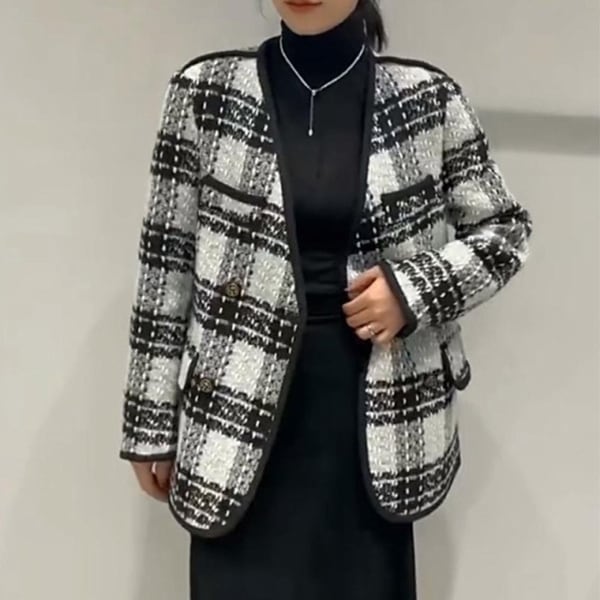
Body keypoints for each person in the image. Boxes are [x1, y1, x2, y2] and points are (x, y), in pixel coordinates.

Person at [119, 1, 533, 598]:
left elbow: (505, 229)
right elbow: (167, 260)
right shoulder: (204, 93)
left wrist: (412, 291)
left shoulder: (427, 98)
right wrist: (150, 421)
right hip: (234, 415)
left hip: (373, 417)